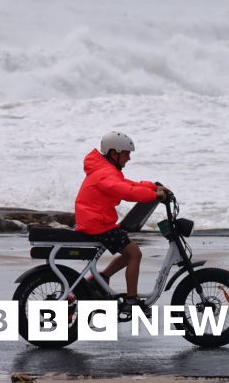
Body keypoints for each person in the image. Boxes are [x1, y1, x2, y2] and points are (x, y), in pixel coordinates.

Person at [74, 131, 168, 319]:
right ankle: (131, 302)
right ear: (113, 153)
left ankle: (100, 279)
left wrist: (152, 187)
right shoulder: (105, 174)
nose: (129, 158)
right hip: (97, 224)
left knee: (128, 252)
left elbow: (128, 184)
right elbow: (126, 191)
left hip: (97, 221)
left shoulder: (106, 170)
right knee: (134, 253)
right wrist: (154, 195)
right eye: (126, 153)